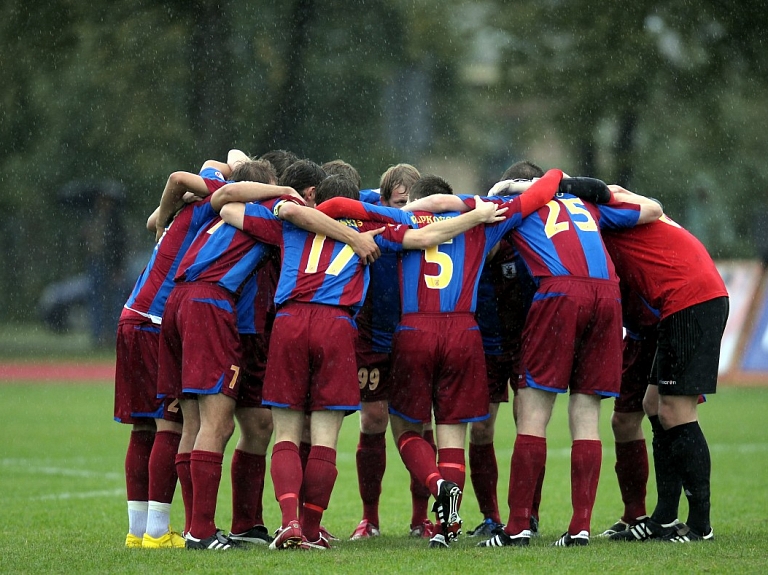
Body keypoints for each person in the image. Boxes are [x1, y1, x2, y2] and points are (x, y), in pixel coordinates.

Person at [219, 174, 508, 550]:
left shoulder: (287, 219)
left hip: (290, 322)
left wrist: (280, 194)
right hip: (337, 324)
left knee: (286, 434)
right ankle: (312, 529)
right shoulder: (375, 225)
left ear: (314, 195)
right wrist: (477, 216)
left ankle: (289, 524)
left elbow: (227, 207)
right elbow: (424, 236)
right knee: (325, 438)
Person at [403, 173, 661, 548]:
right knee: (587, 412)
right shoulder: (586, 205)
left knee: (534, 414)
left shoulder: (516, 207)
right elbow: (652, 209)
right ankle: (580, 527)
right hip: (608, 296)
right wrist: (589, 187)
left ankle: (518, 525)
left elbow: (443, 204)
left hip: (559, 290)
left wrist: (400, 212)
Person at [317, 170, 567, 549]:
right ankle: (447, 530)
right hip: (465, 333)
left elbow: (335, 206)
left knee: (404, 430)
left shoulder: (401, 218)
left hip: (414, 331)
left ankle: (437, 486)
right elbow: (543, 192)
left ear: (416, 199)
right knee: (452, 430)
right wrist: (552, 179)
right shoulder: (486, 219)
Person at [116, 151, 247, 549]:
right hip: (158, 319)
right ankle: (158, 531)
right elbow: (213, 168)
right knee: (171, 427)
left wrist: (165, 213)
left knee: (142, 429)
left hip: (132, 313)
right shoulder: (218, 203)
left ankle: (137, 532)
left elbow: (220, 161)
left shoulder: (193, 204)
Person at [602, 186, 729, 543]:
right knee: (653, 406)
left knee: (677, 412)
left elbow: (604, 191)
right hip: (681, 304)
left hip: (691, 300)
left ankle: (701, 524)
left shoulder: (615, 214)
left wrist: (558, 184)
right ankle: (663, 517)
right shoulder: (624, 208)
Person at [347, 163, 432, 541]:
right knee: (373, 421)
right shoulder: (369, 216)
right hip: (372, 337)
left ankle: (420, 518)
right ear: (383, 200)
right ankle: (370, 519)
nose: (407, 209)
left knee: (419, 423)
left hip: (414, 335)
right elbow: (348, 199)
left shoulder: (429, 221)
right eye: (400, 202)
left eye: (413, 202)